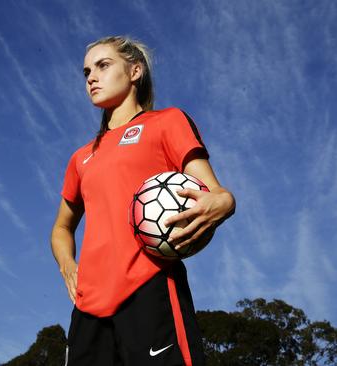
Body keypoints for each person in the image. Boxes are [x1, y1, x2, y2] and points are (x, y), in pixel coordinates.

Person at [50, 35, 236, 366]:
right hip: (88, 309)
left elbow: (216, 192)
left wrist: (222, 203)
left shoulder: (166, 122)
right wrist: (68, 267)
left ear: (135, 71)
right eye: (86, 72)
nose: (91, 77)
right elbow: (61, 228)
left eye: (103, 65)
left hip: (149, 289)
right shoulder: (81, 158)